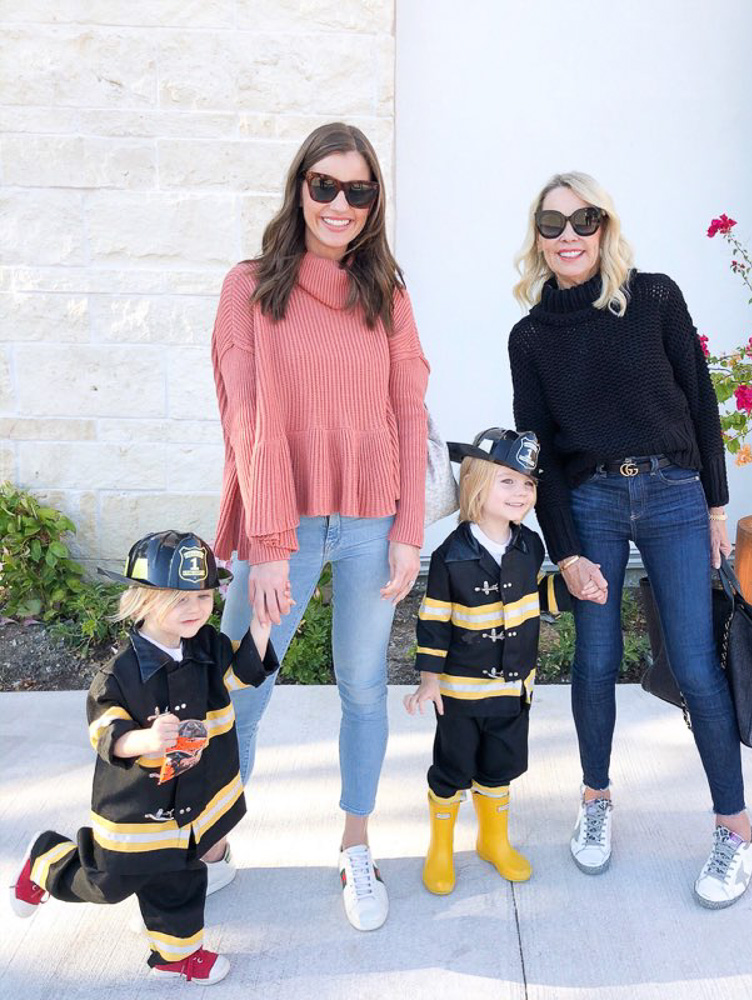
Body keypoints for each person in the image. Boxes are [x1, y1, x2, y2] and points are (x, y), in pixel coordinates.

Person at [508, 172, 752, 909]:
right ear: (538, 239)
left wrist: (716, 505)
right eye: (552, 225)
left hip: (676, 494)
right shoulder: (531, 337)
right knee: (594, 659)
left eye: (583, 219)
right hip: (592, 504)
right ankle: (595, 799)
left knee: (695, 665)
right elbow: (540, 449)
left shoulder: (653, 298)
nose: (569, 237)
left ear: (605, 224)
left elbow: (702, 401)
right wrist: (567, 548)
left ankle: (736, 829)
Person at [211, 122, 429, 931]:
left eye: (358, 190)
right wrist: (265, 544)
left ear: (374, 202)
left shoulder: (388, 294)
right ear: (299, 187)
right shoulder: (250, 288)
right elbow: (245, 418)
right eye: (325, 186)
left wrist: (409, 528)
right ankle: (210, 844)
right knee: (244, 692)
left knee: (364, 689)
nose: (340, 204)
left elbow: (409, 411)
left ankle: (356, 846)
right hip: (286, 529)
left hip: (373, 523)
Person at [9, 531, 277, 985]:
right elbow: (106, 733)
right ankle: (46, 858)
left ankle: (176, 955)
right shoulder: (120, 674)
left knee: (179, 877)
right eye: (179, 599)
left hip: (194, 794)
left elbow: (243, 673)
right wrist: (146, 741)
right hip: (137, 805)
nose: (195, 609)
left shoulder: (208, 646)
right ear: (142, 600)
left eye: (204, 596)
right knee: (108, 883)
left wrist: (264, 624)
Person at [404, 428, 571, 895]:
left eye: (528, 484)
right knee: (453, 769)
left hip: (514, 688)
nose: (521, 493)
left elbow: (531, 599)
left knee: (499, 767)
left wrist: (568, 593)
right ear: (476, 483)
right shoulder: (450, 556)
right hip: (460, 694)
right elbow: (434, 618)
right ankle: (440, 846)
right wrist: (429, 679)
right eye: (508, 482)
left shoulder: (529, 546)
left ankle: (493, 840)